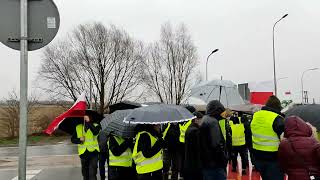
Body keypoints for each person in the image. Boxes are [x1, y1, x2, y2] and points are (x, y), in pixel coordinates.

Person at [250, 95, 285, 180]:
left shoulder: (255, 115)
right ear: (277, 107)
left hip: (257, 157)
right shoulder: (277, 119)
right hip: (273, 159)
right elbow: (284, 141)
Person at [278, 116, 320, 180]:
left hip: (294, 176)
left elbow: (282, 163)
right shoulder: (313, 141)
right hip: (312, 176)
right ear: (304, 127)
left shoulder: (284, 144)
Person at [200, 100, 228, 180]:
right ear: (217, 110)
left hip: (206, 162)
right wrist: (224, 158)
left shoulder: (204, 119)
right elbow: (216, 144)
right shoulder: (213, 122)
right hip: (216, 165)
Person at [71, 113, 101, 180]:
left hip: (94, 153)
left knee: (92, 173)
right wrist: (79, 140)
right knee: (85, 174)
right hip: (83, 154)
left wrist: (88, 122)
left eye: (88, 116)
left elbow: (95, 132)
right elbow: (72, 140)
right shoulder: (78, 127)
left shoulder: (96, 125)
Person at [184, 111, 204, 180]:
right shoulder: (195, 131)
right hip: (195, 165)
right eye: (201, 119)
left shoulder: (190, 128)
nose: (202, 121)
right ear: (196, 120)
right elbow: (199, 149)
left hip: (189, 164)